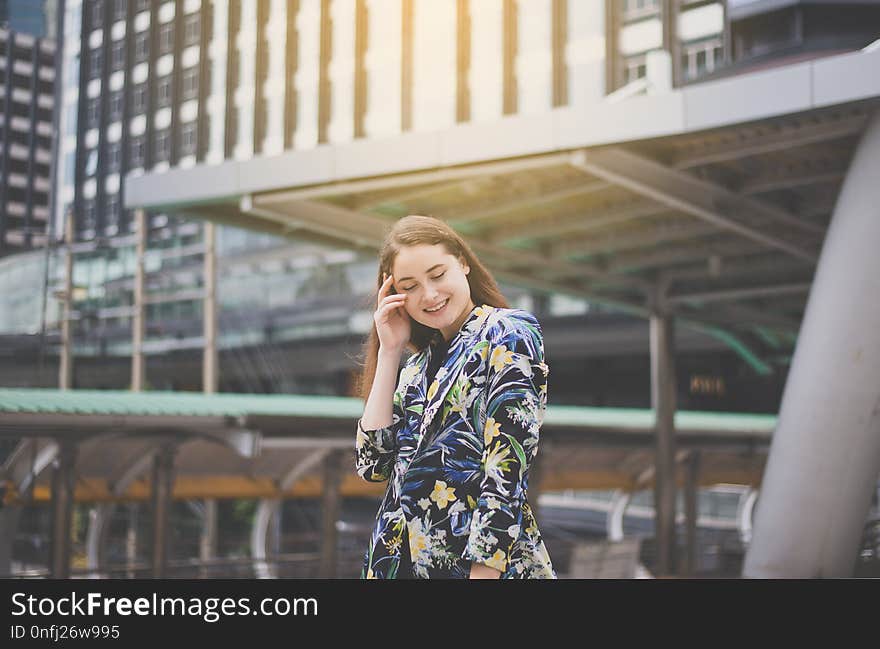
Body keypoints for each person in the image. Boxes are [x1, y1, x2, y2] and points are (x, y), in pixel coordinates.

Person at [355, 214, 556, 579]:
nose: (429, 295)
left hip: (476, 566)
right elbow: (373, 465)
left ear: (462, 263)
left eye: (437, 274)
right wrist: (389, 352)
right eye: (410, 285)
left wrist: (486, 570)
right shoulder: (417, 365)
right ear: (395, 294)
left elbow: (507, 467)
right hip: (398, 563)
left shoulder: (507, 332)